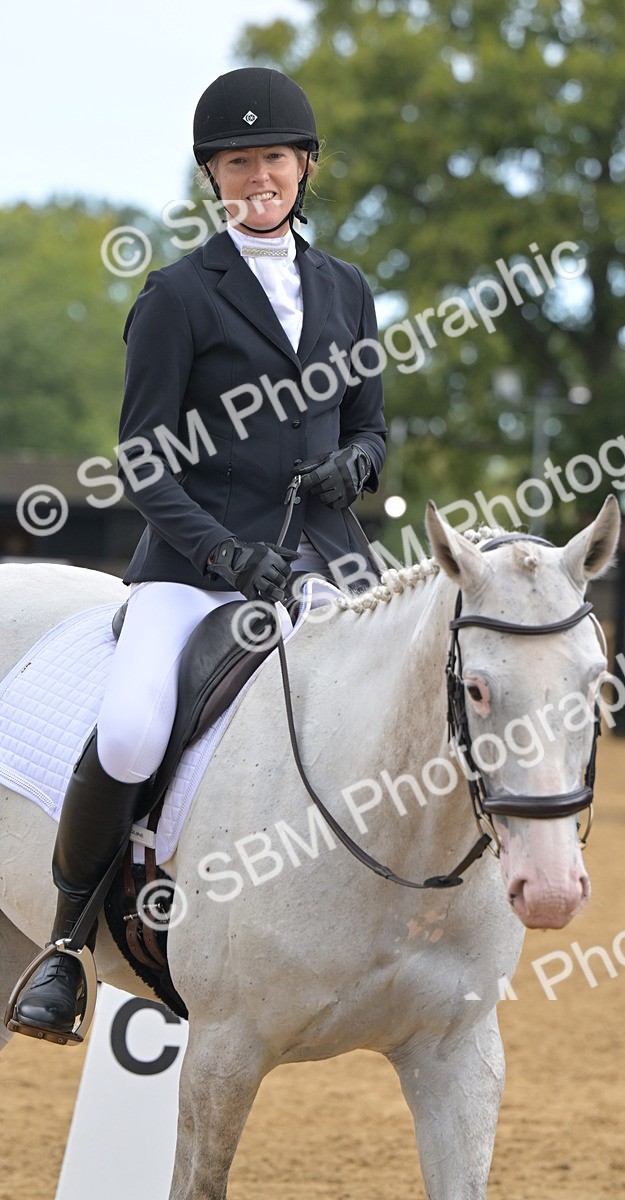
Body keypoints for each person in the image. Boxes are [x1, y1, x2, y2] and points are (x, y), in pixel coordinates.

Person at [9, 66, 387, 1041]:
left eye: (271, 157)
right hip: (192, 567)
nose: (255, 175)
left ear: (305, 166)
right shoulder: (178, 296)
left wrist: (357, 463)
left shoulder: (348, 290)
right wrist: (225, 558)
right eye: (234, 162)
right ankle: (64, 946)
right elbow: (144, 461)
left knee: (417, 690)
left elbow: (373, 431)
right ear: (212, 178)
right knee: (134, 730)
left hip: (329, 560)